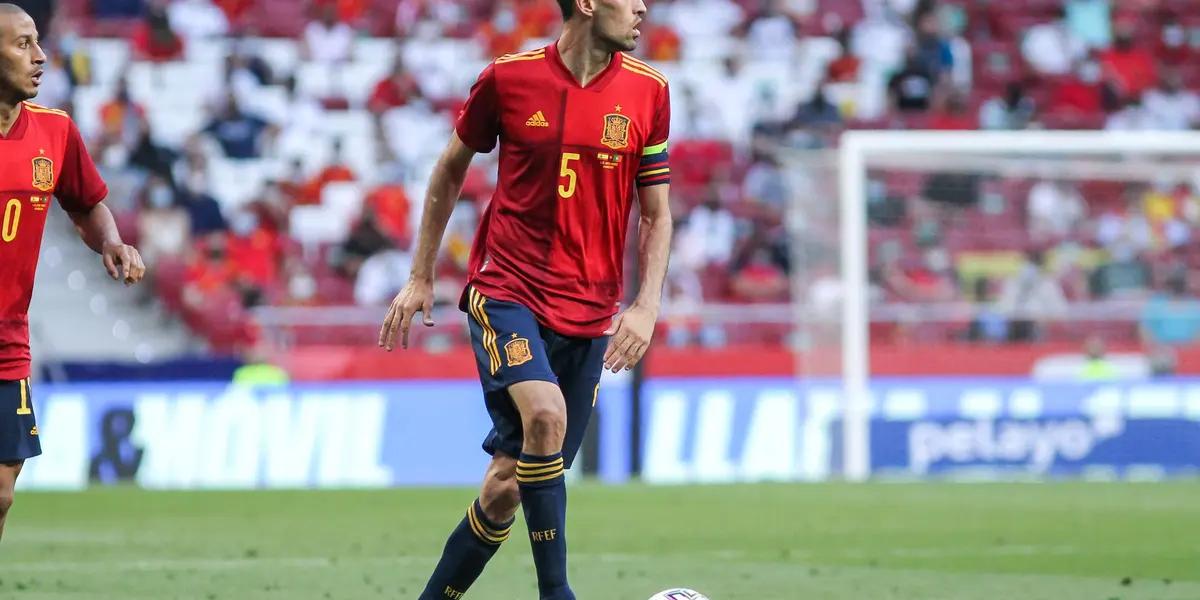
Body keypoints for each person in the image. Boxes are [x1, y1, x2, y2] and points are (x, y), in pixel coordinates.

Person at [377, 0, 672, 597]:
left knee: (507, 485)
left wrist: (644, 305)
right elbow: (449, 170)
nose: (643, 7)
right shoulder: (508, 79)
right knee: (545, 414)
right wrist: (421, 274)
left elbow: (656, 215)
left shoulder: (650, 92)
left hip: (591, 312)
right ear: (587, 4)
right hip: (508, 290)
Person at [0, 3, 146, 539]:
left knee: (2, 492)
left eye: (38, 42)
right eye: (22, 45)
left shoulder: (55, 133)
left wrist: (110, 242)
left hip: (7, 341)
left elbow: (85, 204)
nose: (40, 57)